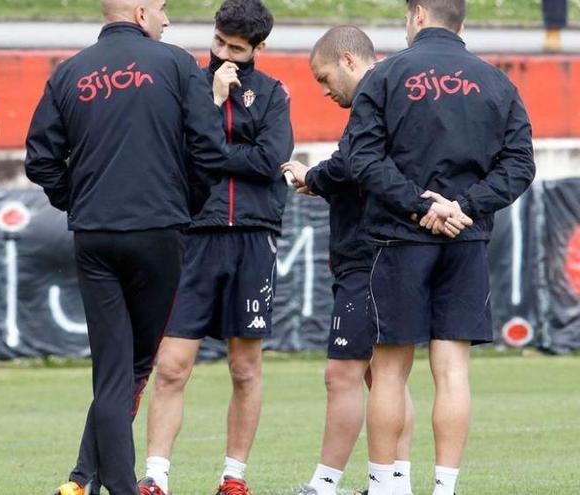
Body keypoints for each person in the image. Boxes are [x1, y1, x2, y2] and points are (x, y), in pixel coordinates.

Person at [291, 1, 535, 494]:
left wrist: (420, 205)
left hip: (397, 238)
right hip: (465, 238)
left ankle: (387, 485)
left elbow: (361, 158)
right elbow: (519, 165)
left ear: (418, 14)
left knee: (389, 370)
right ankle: (444, 488)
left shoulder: (386, 76)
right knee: (452, 371)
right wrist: (463, 205)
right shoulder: (496, 82)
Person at [24, 0, 232, 494]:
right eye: (161, 9)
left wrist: (78, 201)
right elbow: (209, 149)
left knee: (113, 371)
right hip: (160, 231)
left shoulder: (69, 72)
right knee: (135, 366)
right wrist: (185, 203)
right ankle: (112, 484)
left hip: (95, 235)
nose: (167, 20)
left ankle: (86, 478)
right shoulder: (178, 64)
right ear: (140, 13)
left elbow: (40, 159)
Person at [140, 1, 292, 494]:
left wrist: (215, 153)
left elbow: (270, 158)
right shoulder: (187, 83)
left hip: (253, 237)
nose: (225, 53)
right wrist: (210, 100)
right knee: (171, 366)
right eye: (219, 42)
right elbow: (173, 154)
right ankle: (156, 477)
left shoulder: (273, 93)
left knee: (245, 367)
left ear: (258, 49)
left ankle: (234, 477)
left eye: (237, 48)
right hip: (194, 235)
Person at [284, 26, 415, 495]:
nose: (323, 90)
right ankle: (396, 482)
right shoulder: (397, 92)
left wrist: (313, 177)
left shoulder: (373, 95)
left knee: (343, 372)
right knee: (385, 374)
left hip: (368, 254)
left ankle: (324, 484)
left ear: (349, 60)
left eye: (324, 77)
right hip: (382, 251)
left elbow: (352, 162)